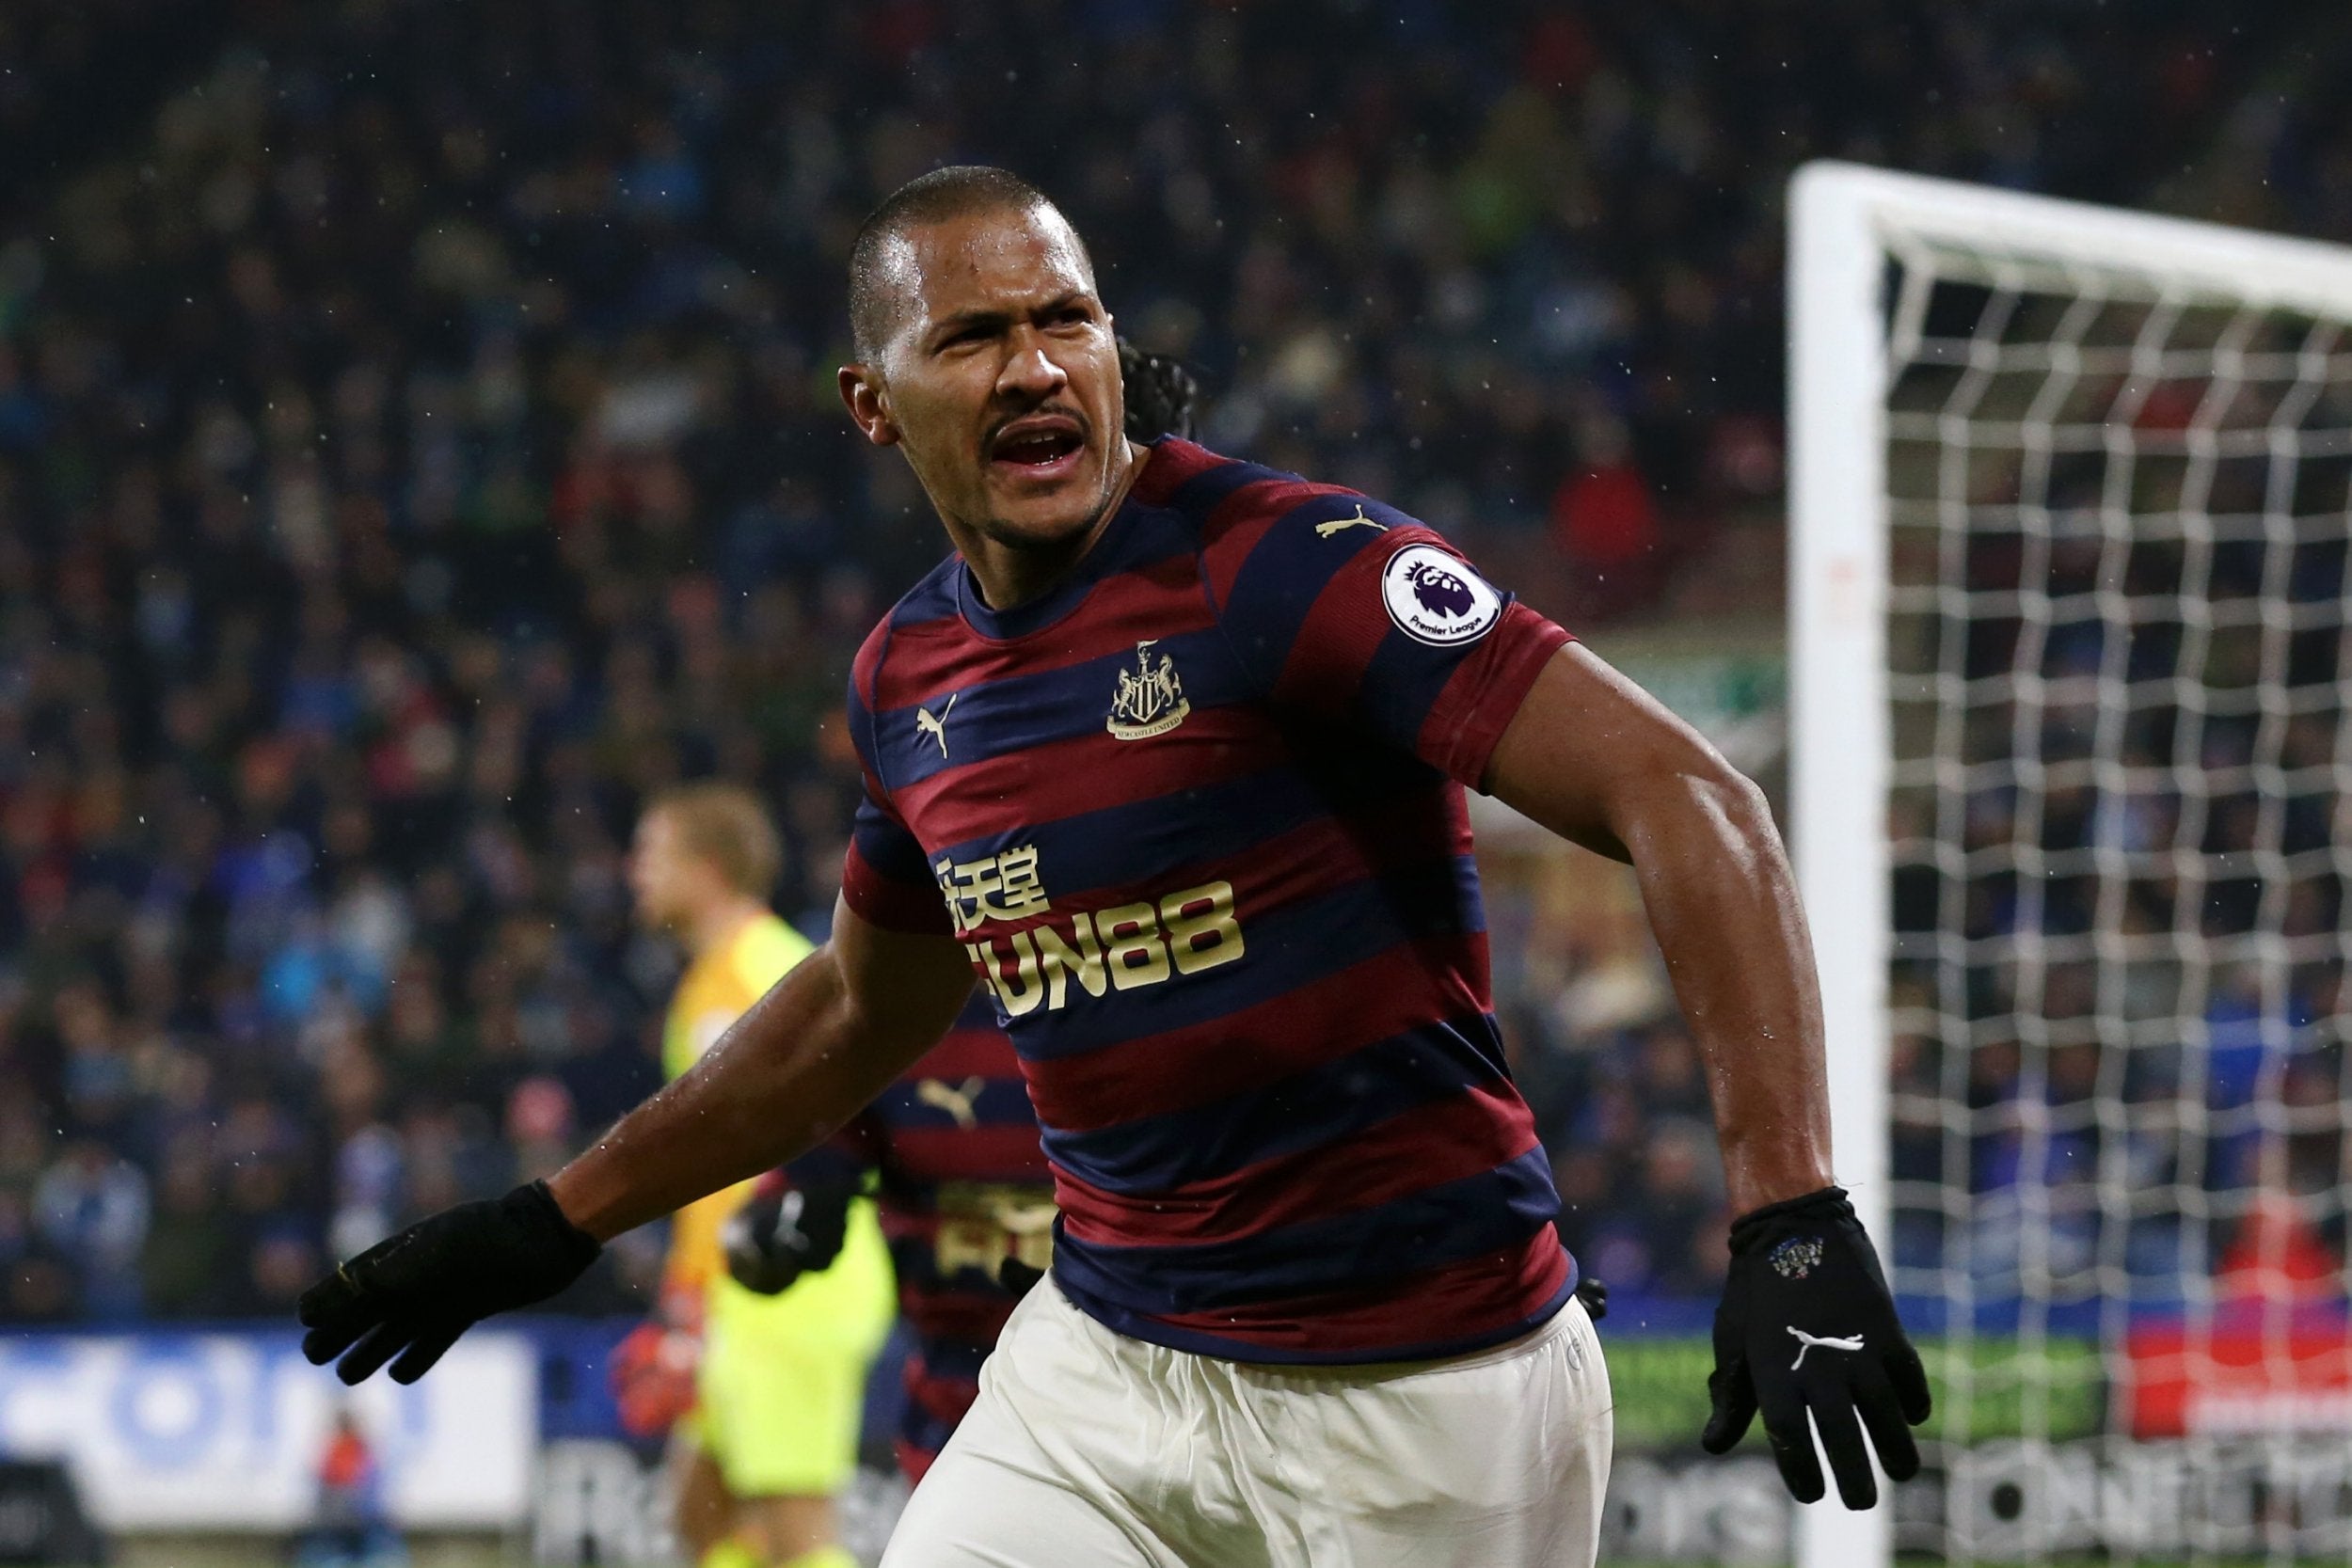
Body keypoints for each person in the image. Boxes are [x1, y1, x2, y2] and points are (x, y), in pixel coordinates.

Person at [299, 166, 1930, 1566]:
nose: (1034, 367)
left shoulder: (1287, 566)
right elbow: (862, 1009)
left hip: (1427, 1391)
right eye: (972, 336)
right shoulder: (908, 679)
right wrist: (558, 1213)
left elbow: (1689, 795)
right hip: (1107, 1368)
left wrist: (1787, 1207)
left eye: (1062, 320)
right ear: (873, 404)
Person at [613, 784, 897, 1568]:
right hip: (741, 1288)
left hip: (794, 1281)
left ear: (707, 869)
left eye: (651, 852)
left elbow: (803, 1141)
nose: (634, 871)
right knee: (697, 1510)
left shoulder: (767, 969)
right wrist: (688, 1289)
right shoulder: (711, 982)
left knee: (796, 1532)